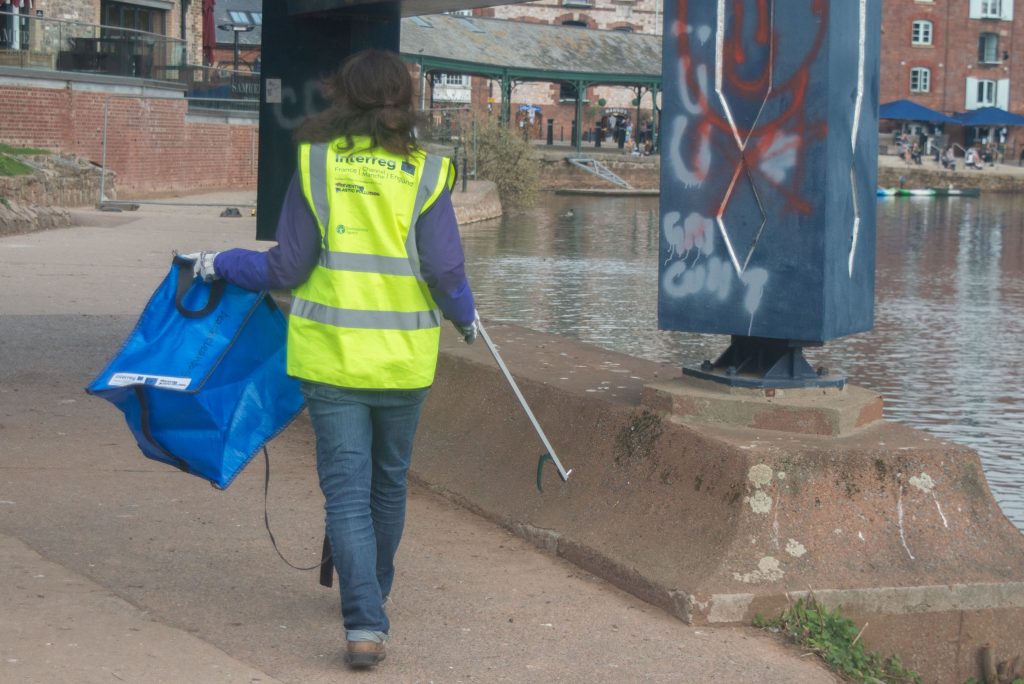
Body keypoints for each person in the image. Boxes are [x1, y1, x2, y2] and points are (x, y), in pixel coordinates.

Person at [185, 49, 477, 670]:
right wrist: (466, 315)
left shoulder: (317, 165)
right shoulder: (427, 173)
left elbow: (287, 267)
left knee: (345, 495)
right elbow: (445, 269)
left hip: (332, 360)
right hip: (403, 360)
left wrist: (220, 262)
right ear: (406, 99)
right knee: (388, 484)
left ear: (341, 95)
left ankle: (365, 623)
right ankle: (374, 589)